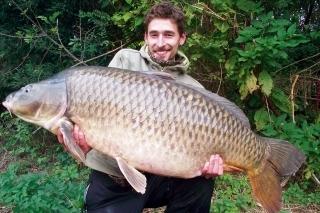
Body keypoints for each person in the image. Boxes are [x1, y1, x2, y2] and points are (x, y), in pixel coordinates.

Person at [58, 2, 224, 213]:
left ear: (181, 38)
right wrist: (82, 142)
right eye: (154, 35)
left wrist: (208, 166)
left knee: (201, 181)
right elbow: (98, 115)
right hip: (114, 179)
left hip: (161, 178)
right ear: (145, 37)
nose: (160, 43)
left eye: (168, 35)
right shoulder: (125, 61)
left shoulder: (194, 90)